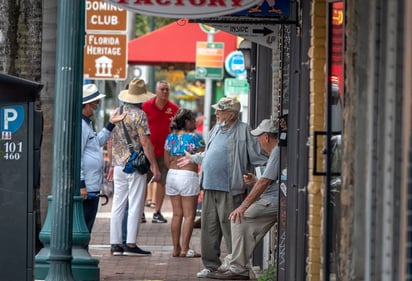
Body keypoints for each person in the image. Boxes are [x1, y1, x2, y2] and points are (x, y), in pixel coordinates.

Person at [177, 97, 267, 278]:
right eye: (217, 110)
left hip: (230, 188)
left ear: (232, 115)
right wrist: (193, 158)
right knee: (209, 228)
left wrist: (260, 177)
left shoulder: (244, 131)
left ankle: (237, 267)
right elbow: (210, 155)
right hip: (209, 186)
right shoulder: (216, 128)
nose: (216, 113)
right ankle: (211, 266)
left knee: (231, 229)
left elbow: (259, 157)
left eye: (220, 110)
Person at [207, 119, 279, 280]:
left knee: (239, 218)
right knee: (243, 223)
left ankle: (237, 267)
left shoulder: (278, 151)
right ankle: (234, 263)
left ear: (266, 137)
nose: (258, 141)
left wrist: (243, 206)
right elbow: (267, 179)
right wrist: (254, 180)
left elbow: (265, 182)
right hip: (273, 198)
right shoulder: (276, 152)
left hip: (275, 200)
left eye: (259, 137)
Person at [109, 78, 161, 256]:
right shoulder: (140, 115)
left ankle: (115, 244)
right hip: (135, 165)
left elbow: (111, 139)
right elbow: (145, 142)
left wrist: (111, 162)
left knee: (118, 203)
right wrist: (154, 166)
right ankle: (130, 243)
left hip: (118, 164)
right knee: (135, 204)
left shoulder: (116, 112)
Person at [80, 84, 125, 238]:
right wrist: (81, 184)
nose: (97, 107)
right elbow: (77, 155)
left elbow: (96, 142)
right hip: (87, 185)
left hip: (91, 184)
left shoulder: (87, 123)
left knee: (88, 222)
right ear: (87, 103)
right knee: (84, 224)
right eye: (95, 103)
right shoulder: (81, 125)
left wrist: (111, 123)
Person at [164, 108, 205, 258]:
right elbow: (205, 156)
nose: (195, 122)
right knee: (189, 215)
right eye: (193, 120)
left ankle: (175, 248)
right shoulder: (195, 137)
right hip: (188, 175)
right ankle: (185, 249)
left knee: (176, 215)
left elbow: (166, 161)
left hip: (172, 175)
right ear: (187, 122)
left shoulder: (170, 138)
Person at [142, 80, 179, 223]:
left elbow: (177, 130)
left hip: (165, 153)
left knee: (162, 182)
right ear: (156, 91)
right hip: (147, 152)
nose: (165, 92)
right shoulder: (146, 107)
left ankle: (157, 212)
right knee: (143, 182)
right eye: (162, 89)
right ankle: (141, 212)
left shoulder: (174, 109)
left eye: (167, 90)